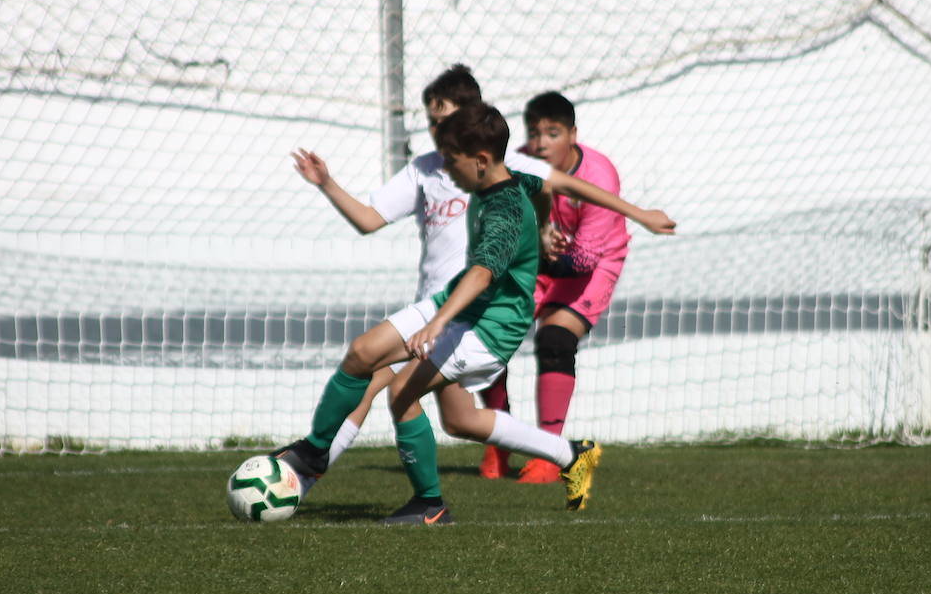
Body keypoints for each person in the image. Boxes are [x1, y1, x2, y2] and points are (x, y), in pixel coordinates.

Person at [289, 65, 674, 483]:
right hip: (436, 308)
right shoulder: (426, 169)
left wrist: (635, 214)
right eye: (432, 122)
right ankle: (568, 454)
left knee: (375, 377)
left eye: (445, 120)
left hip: (468, 315)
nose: (436, 130)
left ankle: (304, 477)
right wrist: (326, 183)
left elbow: (563, 186)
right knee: (459, 420)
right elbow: (368, 219)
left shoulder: (498, 170)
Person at [277, 101, 608, 523]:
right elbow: (544, 189)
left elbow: (483, 274)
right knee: (376, 361)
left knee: (402, 392)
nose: (448, 172)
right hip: (456, 307)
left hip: (490, 326)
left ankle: (430, 504)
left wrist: (436, 323)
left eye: (454, 162)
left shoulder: (505, 210)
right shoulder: (512, 181)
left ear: (483, 161)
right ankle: (314, 452)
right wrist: (544, 232)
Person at [479, 91, 631, 484]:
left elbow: (582, 260)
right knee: (490, 338)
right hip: (541, 263)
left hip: (590, 267)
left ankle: (550, 454)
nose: (542, 142)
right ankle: (499, 440)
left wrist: (544, 252)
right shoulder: (516, 165)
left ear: (573, 135)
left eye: (553, 132)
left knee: (555, 339)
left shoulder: (599, 176)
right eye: (535, 133)